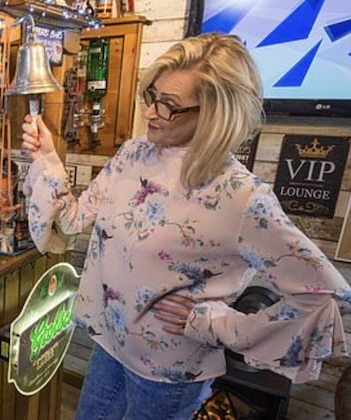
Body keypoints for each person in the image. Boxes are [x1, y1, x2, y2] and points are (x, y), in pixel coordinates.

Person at [20, 33, 351, 419]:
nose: (151, 113)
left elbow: (326, 297)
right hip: (110, 345)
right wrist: (47, 157)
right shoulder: (134, 154)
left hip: (168, 371)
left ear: (215, 113)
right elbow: (73, 220)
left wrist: (219, 325)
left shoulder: (239, 196)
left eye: (170, 106)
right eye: (152, 96)